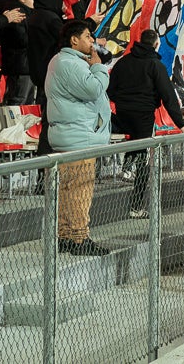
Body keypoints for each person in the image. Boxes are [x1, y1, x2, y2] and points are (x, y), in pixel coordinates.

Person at [46, 18, 116, 257]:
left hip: (74, 135)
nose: (92, 41)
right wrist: (98, 67)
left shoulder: (64, 61)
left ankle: (65, 236)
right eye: (88, 36)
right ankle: (78, 237)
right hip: (79, 138)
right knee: (80, 191)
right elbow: (94, 89)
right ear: (74, 40)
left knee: (69, 190)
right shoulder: (69, 62)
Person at [108, 32, 184, 216]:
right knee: (144, 159)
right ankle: (136, 206)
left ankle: (127, 167)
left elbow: (111, 91)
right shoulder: (155, 65)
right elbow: (168, 97)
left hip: (123, 114)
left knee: (134, 146)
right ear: (156, 44)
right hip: (144, 116)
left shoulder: (123, 62)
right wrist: (181, 124)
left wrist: (124, 101)